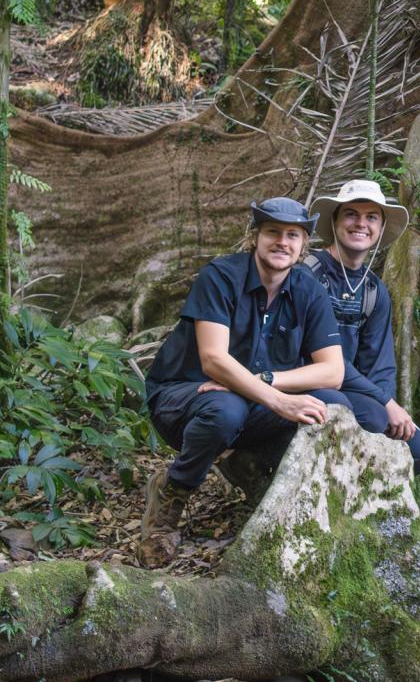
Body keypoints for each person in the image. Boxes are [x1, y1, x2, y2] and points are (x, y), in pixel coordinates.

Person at [138, 197, 348, 568]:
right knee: (225, 409)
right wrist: (280, 400)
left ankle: (252, 468)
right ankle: (171, 497)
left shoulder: (308, 289)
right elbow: (214, 360)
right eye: (272, 232)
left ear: (302, 247)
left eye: (292, 235)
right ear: (256, 236)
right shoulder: (220, 277)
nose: (282, 242)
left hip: (250, 400)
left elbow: (333, 371)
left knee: (331, 404)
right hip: (182, 398)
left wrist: (264, 381)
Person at [304, 178, 420, 475]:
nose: (360, 223)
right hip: (305, 383)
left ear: (380, 227)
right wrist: (384, 402)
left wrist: (390, 406)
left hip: (355, 390)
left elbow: (380, 364)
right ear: (335, 220)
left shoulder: (375, 291)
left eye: (371, 217)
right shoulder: (308, 276)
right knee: (372, 416)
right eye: (351, 214)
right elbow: (320, 356)